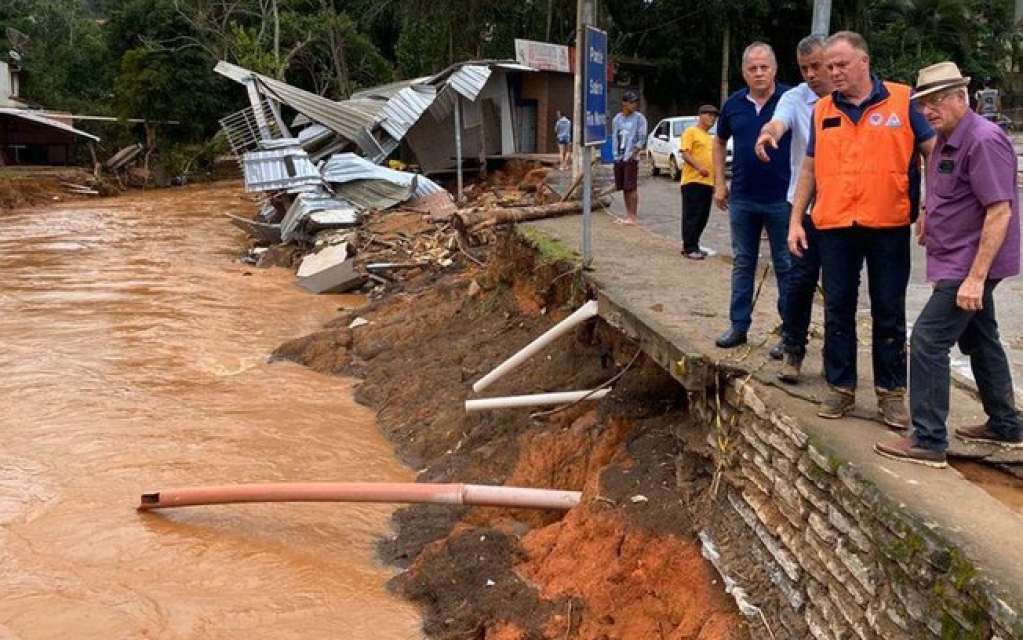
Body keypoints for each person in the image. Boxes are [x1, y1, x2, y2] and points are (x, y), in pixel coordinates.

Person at [875, 62, 1023, 468]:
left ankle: (928, 439)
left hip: (970, 262)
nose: (928, 110)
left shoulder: (983, 141)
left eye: (937, 101)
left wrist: (976, 279)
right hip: (956, 255)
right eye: (923, 103)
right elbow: (946, 185)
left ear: (961, 96)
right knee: (980, 337)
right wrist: (928, 211)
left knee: (927, 340)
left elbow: (999, 212)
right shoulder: (947, 136)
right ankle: (1007, 425)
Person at [788, 31, 935, 427]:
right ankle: (841, 388)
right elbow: (809, 168)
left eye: (840, 65)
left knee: (888, 309)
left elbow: (934, 154)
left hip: (887, 224)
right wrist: (795, 220)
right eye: (829, 67)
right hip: (834, 225)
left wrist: (931, 204)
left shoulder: (905, 102)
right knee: (838, 309)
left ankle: (890, 394)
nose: (833, 73)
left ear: (864, 62)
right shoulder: (822, 110)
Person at [754, 34, 833, 383]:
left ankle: (837, 360)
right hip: (802, 206)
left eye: (818, 66)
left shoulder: (849, 100)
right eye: (805, 68)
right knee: (799, 283)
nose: (812, 74)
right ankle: (793, 350)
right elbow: (779, 120)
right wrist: (768, 133)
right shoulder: (794, 98)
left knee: (839, 288)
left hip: (844, 208)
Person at [713, 42, 792, 354]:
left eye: (764, 67)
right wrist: (720, 183)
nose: (759, 73)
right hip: (743, 198)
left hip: (783, 199)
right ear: (744, 72)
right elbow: (718, 143)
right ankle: (738, 326)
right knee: (743, 262)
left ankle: (789, 333)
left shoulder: (790, 100)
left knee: (786, 266)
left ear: (774, 69)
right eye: (752, 68)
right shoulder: (733, 104)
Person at [679, 104, 718, 259]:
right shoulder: (691, 132)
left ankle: (695, 244)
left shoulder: (710, 138)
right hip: (693, 180)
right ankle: (688, 247)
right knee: (692, 214)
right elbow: (685, 153)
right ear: (700, 116)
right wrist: (699, 167)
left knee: (702, 216)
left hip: (707, 183)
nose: (712, 118)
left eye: (714, 116)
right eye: (708, 114)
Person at [611, 91, 648, 225]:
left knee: (631, 187)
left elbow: (642, 137)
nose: (633, 105)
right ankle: (628, 214)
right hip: (619, 155)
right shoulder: (617, 119)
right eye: (631, 102)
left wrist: (633, 153)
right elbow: (615, 135)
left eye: (635, 102)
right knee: (623, 187)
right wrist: (615, 155)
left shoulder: (639, 118)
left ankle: (633, 215)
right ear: (624, 103)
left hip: (631, 156)